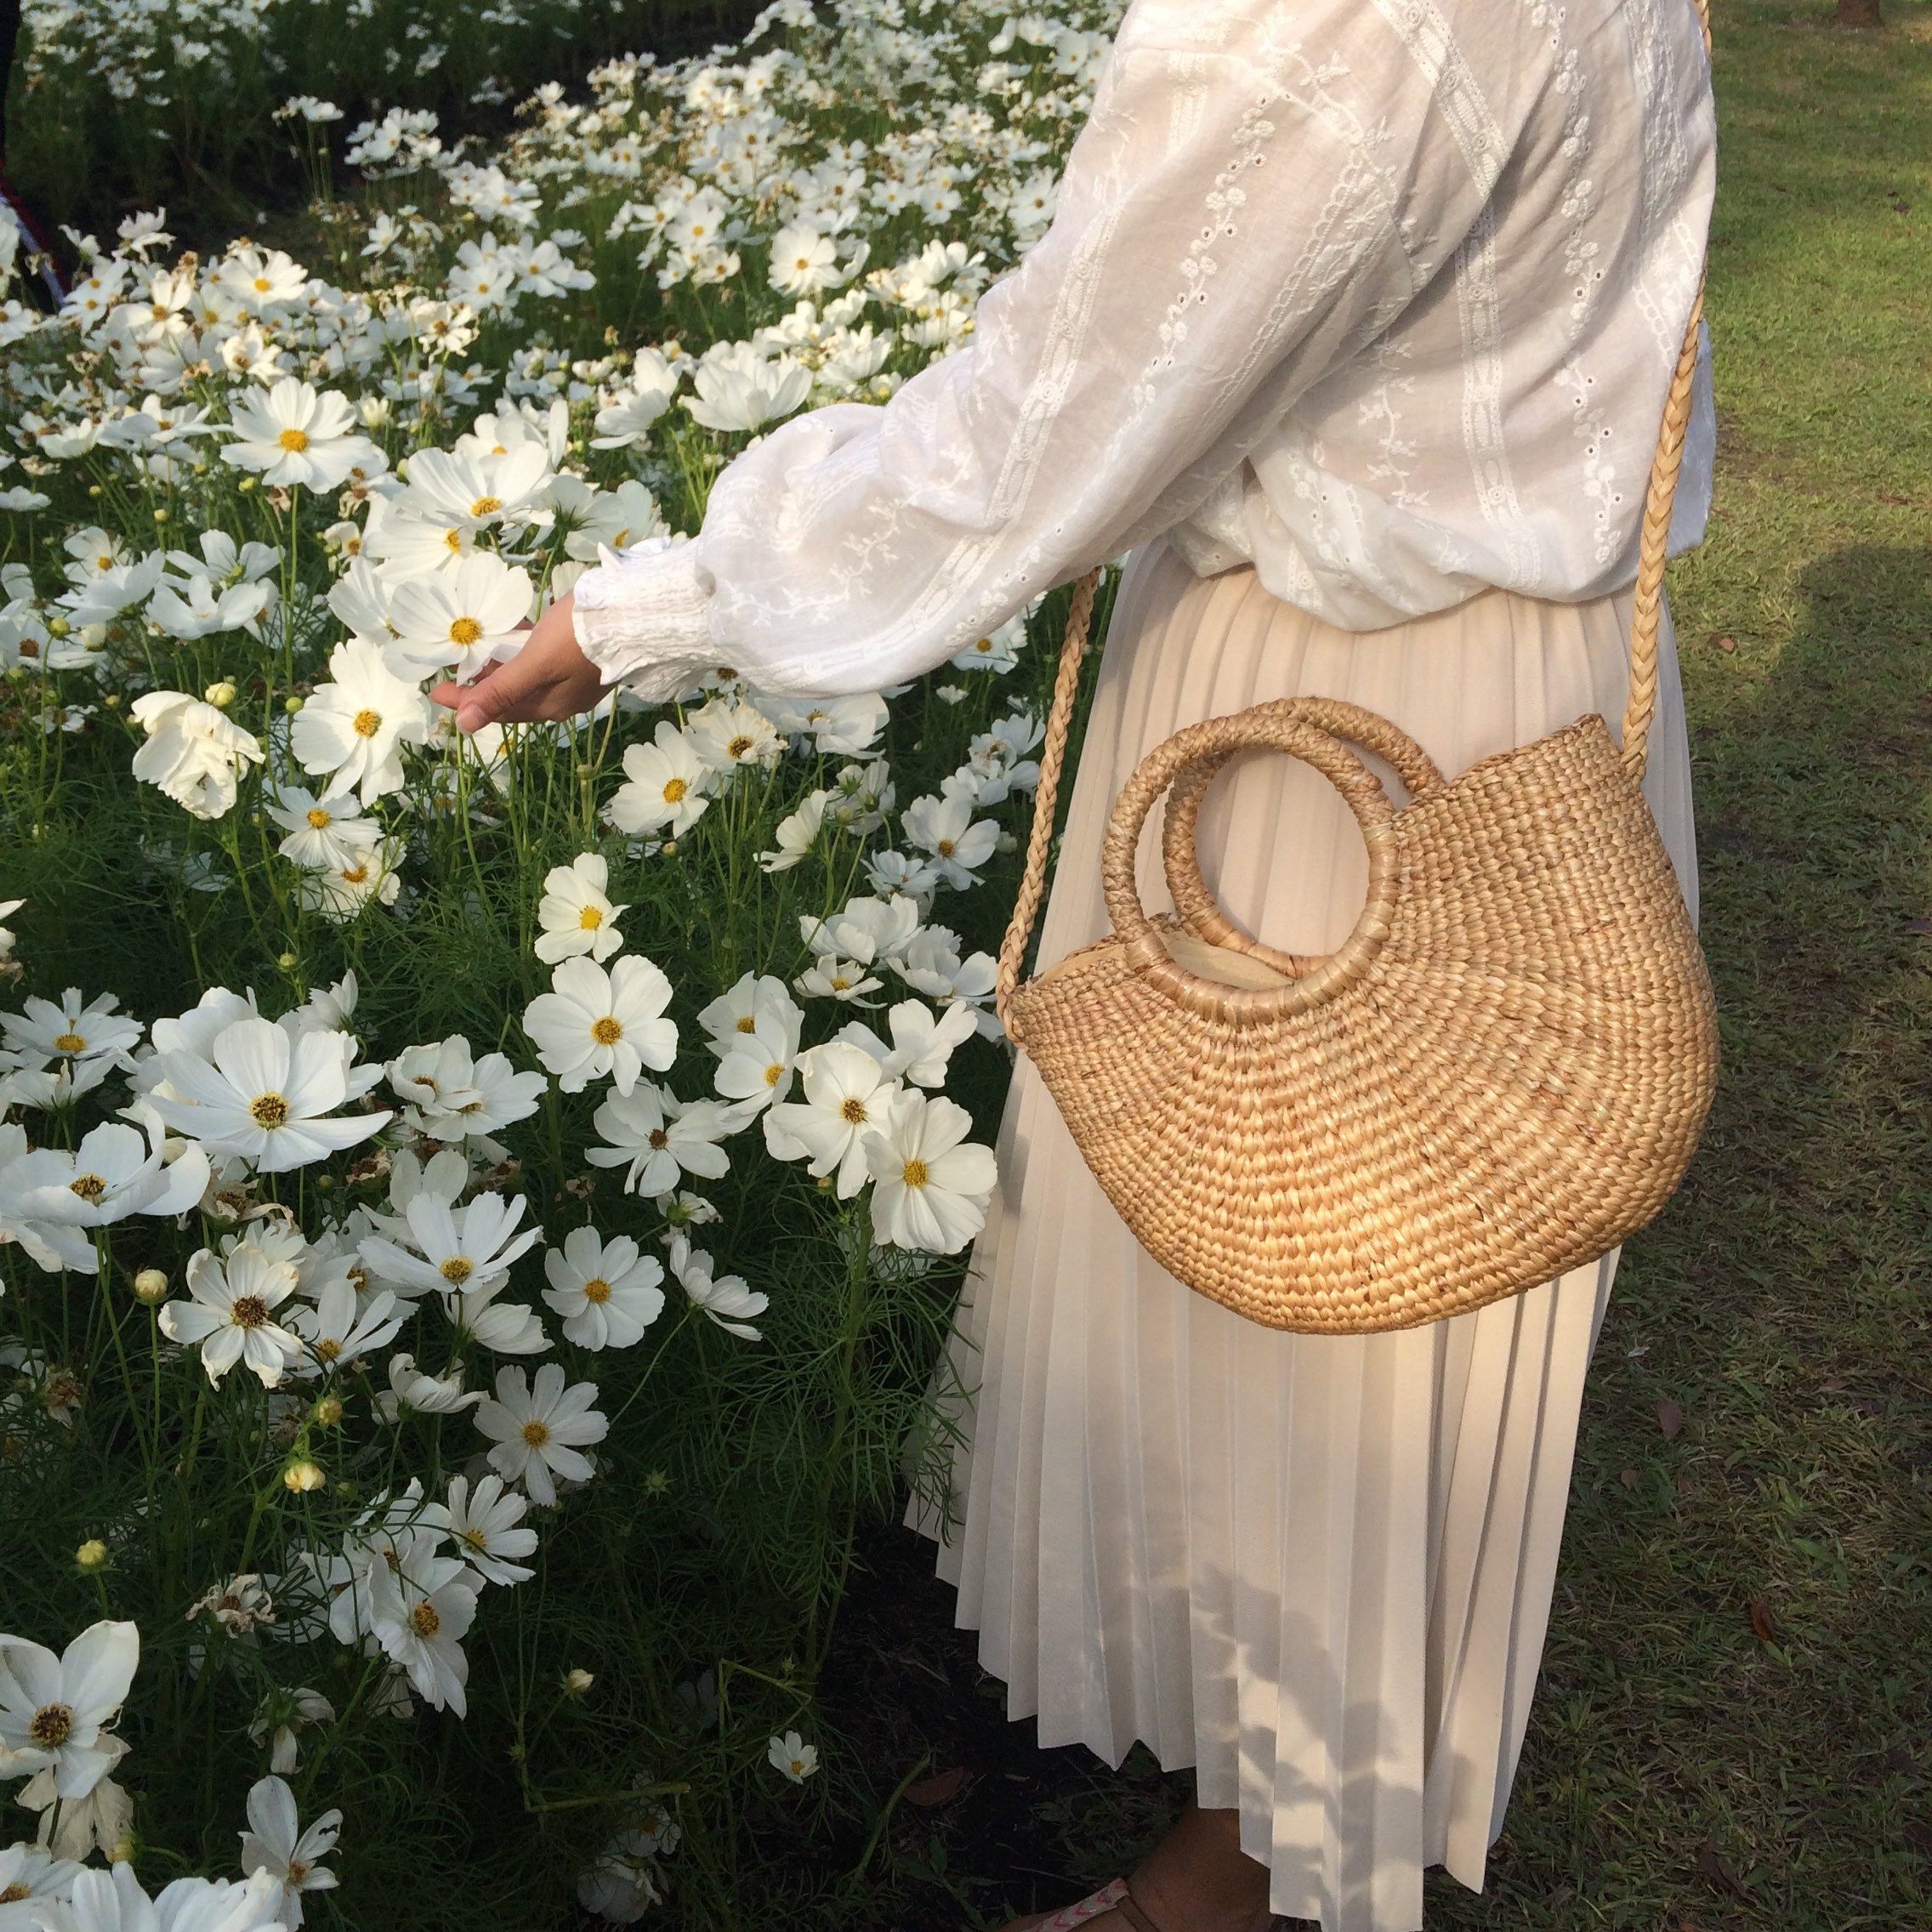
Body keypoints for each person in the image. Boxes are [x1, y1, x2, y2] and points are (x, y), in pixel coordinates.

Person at [434, 0, 1716, 1924]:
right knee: (1384, 1333)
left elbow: (1041, 424)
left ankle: (1245, 1881)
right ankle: (1248, 1855)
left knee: (1302, 1350)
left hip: (1321, 736)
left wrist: (643, 607)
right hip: (1525, 702)